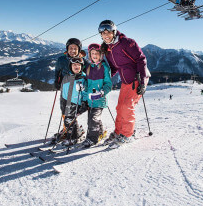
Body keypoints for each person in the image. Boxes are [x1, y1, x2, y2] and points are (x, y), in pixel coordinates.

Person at [98, 20, 150, 148]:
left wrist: (142, 81)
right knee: (120, 107)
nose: (106, 35)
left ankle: (128, 134)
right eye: (103, 33)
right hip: (126, 80)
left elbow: (141, 59)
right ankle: (119, 132)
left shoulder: (127, 42)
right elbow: (113, 68)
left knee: (127, 106)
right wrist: (105, 79)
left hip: (137, 77)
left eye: (108, 32)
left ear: (114, 32)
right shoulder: (108, 48)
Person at [82, 43, 113, 148]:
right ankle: (99, 133)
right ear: (90, 55)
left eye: (96, 53)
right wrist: (83, 87)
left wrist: (102, 92)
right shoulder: (89, 67)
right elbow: (86, 81)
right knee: (91, 119)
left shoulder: (104, 67)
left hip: (99, 99)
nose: (94, 55)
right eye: (92, 53)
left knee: (93, 119)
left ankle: (92, 139)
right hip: (90, 99)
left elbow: (108, 84)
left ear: (101, 55)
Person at [59, 57, 88, 146]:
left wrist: (84, 103)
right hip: (66, 102)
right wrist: (62, 102)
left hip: (77, 103)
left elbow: (86, 92)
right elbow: (63, 90)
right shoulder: (66, 77)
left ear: (82, 67)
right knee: (68, 121)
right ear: (70, 66)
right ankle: (77, 133)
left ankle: (73, 138)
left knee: (69, 120)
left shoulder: (83, 78)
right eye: (74, 65)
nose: (76, 66)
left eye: (79, 65)